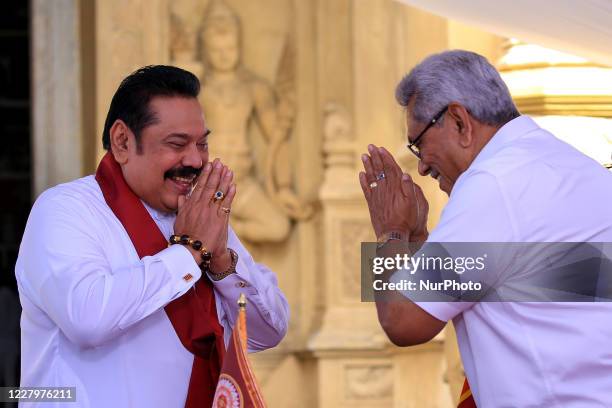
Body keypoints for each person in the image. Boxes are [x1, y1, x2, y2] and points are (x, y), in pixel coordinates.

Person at [15, 65, 289, 407]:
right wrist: (189, 253)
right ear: (123, 141)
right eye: (177, 144)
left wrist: (220, 262)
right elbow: (87, 318)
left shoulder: (200, 217)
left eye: (202, 144)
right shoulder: (65, 209)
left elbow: (267, 332)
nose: (194, 159)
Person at [359, 50, 612, 407]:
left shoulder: (493, 183)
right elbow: (487, 284)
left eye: (419, 145)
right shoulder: (572, 165)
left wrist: (389, 233)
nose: (421, 168)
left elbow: (403, 321)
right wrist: (416, 237)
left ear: (459, 121)